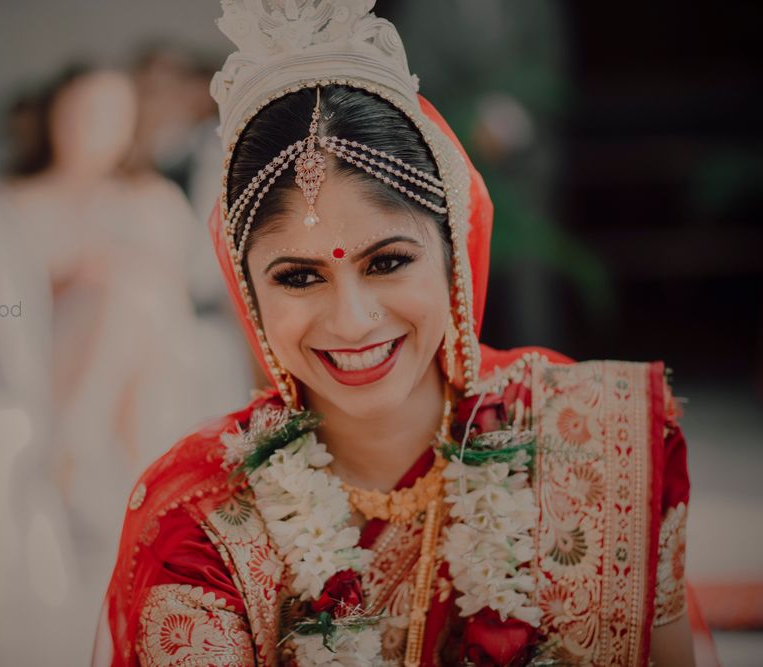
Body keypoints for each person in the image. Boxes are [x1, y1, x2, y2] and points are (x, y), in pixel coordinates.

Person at [93, 2, 695, 665]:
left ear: (453, 253)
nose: (352, 320)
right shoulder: (203, 523)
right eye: (298, 277)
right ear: (249, 292)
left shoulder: (592, 437)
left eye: (388, 262)